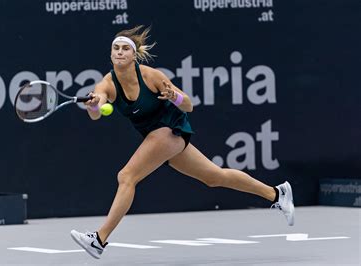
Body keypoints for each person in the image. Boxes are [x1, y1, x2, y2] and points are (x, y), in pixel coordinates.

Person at [70, 25, 294, 259]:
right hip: (156, 137)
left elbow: (188, 105)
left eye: (125, 49)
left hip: (170, 130)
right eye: (116, 48)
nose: (119, 52)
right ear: (111, 53)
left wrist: (173, 96)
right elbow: (96, 112)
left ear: (134, 55)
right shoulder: (106, 84)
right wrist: (94, 104)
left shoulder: (151, 76)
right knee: (214, 177)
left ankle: (99, 239)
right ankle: (277, 194)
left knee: (127, 176)